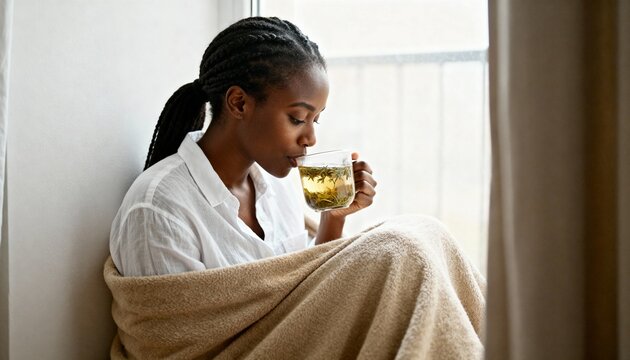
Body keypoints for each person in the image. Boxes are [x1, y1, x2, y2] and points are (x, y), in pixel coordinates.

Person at [109, 16, 377, 277]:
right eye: (297, 119)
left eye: (315, 120)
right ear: (239, 103)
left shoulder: (278, 187)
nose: (310, 138)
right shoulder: (159, 210)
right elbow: (184, 323)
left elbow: (304, 294)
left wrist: (333, 217)